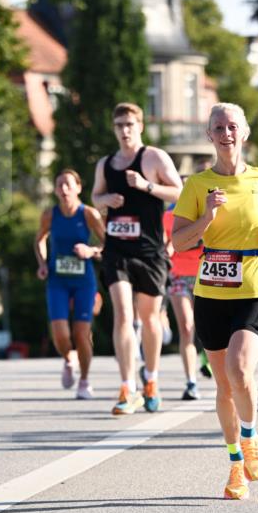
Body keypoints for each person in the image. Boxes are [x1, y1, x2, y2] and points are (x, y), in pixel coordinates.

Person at [172, 102, 258, 500]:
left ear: (244, 133)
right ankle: (235, 465)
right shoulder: (196, 185)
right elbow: (177, 242)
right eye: (218, 127)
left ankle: (251, 436)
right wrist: (206, 217)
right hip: (210, 291)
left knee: (240, 368)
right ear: (209, 136)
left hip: (256, 284)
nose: (226, 133)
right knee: (223, 386)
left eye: (232, 126)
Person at [92, 102, 183, 414]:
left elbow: (179, 191)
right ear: (114, 129)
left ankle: (151, 380)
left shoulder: (154, 157)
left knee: (149, 319)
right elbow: (94, 196)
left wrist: (146, 185)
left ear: (140, 126)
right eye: (119, 125)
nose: (125, 130)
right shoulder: (106, 164)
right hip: (117, 249)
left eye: (130, 124)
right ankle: (126, 387)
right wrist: (105, 199)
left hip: (150, 251)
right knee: (122, 314)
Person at [35, 169, 104, 399]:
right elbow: (39, 240)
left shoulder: (89, 214)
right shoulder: (49, 215)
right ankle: (68, 358)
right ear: (55, 190)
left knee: (82, 333)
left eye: (68, 184)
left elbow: (109, 245)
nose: (64, 189)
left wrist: (91, 250)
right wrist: (43, 263)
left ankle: (84, 380)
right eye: (59, 185)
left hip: (84, 281)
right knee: (61, 334)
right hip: (57, 280)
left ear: (78, 188)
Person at [163, 205, 203, 399]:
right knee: (187, 327)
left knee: (207, 328)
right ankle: (191, 381)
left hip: (206, 276)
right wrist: (167, 248)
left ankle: (207, 360)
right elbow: (164, 244)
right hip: (178, 276)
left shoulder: (209, 213)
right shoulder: (168, 217)